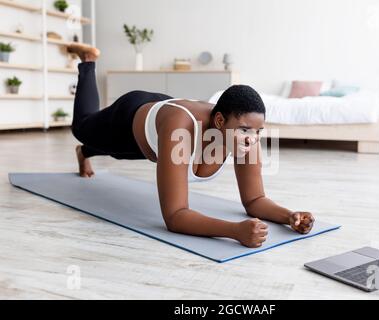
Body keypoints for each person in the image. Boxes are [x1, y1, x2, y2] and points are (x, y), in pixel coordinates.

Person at [68, 43, 315, 248]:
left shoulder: (248, 137)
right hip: (129, 118)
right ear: (220, 121)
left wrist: (289, 216)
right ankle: (88, 61)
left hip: (155, 133)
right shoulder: (179, 130)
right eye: (244, 130)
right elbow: (175, 216)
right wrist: (234, 231)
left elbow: (255, 199)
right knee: (83, 129)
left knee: (120, 154)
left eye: (258, 131)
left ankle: (85, 152)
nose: (252, 139)